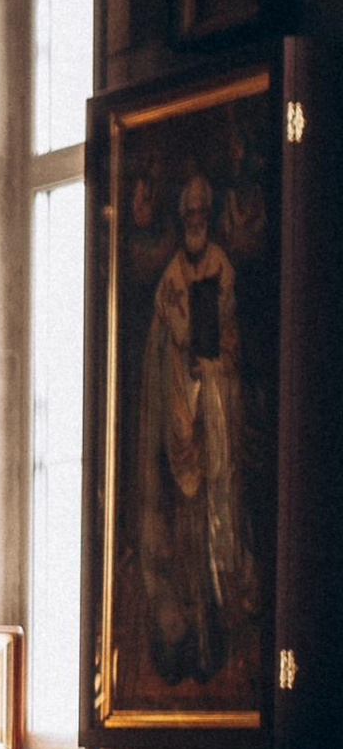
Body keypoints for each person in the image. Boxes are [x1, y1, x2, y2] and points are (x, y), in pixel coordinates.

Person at [137, 171, 255, 690]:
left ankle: (217, 639)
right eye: (188, 215)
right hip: (179, 419)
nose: (195, 223)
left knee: (215, 531)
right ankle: (184, 643)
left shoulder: (221, 268)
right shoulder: (169, 279)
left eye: (201, 215)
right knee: (181, 543)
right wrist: (179, 361)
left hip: (213, 417)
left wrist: (211, 369)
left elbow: (228, 341)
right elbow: (160, 348)